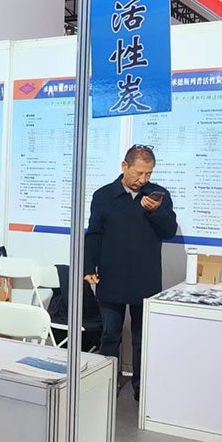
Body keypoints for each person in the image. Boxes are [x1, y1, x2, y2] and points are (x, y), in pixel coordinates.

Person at [84, 145, 178, 400]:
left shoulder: (158, 196)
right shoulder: (104, 195)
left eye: (148, 174)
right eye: (139, 173)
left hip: (145, 277)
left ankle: (141, 387)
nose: (143, 179)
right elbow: (94, 233)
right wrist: (88, 267)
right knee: (110, 334)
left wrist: (155, 211)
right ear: (124, 166)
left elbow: (169, 231)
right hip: (111, 276)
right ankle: (106, 384)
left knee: (142, 337)